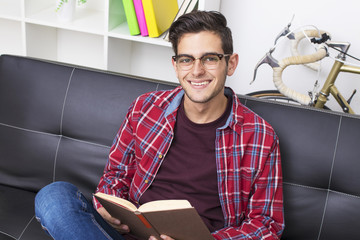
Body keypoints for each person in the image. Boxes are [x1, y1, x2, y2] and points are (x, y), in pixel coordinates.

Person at [35, 11, 284, 240]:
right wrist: (107, 205)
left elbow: (266, 224)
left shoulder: (260, 135)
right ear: (175, 66)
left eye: (209, 58)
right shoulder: (145, 108)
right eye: (187, 59)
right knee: (54, 196)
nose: (197, 71)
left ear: (230, 63)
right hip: (126, 233)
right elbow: (115, 176)